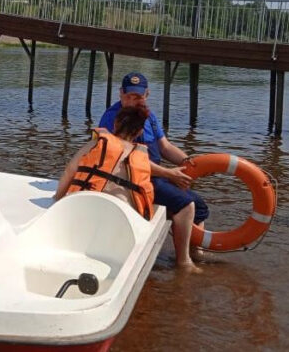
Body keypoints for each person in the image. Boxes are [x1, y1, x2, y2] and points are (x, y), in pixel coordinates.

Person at [99, 72, 207, 273]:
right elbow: (126, 159)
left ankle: (195, 249)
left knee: (200, 205)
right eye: (129, 96)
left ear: (146, 95)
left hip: (155, 174)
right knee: (186, 204)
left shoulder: (150, 116)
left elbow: (165, 147)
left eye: (138, 97)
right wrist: (169, 173)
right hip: (131, 179)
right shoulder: (113, 118)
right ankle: (183, 262)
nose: (132, 101)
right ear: (120, 94)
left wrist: (188, 163)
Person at [53, 104, 155, 221]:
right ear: (140, 132)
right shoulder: (142, 158)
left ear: (115, 123)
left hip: (85, 209)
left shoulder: (97, 143)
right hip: (122, 217)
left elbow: (69, 172)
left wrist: (56, 199)